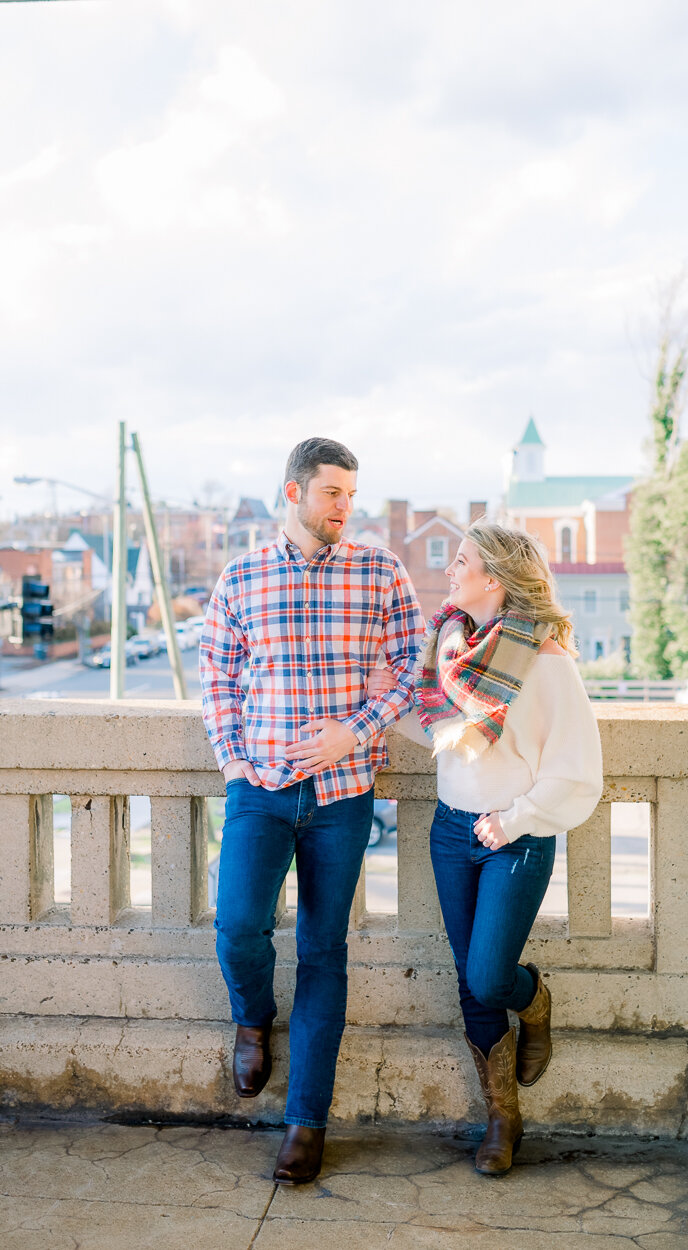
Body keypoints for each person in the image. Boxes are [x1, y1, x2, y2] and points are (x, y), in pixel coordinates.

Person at [199, 437, 424, 1186]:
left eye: (350, 496)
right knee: (238, 927)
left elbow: (407, 669)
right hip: (258, 788)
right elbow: (218, 681)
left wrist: (351, 733)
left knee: (325, 953)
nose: (344, 509)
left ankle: (305, 1121)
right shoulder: (241, 576)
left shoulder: (379, 571)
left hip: (343, 795)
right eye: (333, 494)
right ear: (293, 493)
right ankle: (252, 1016)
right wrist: (234, 762)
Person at [370, 521, 602, 1176]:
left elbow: (578, 769)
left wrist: (518, 818)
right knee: (469, 988)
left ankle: (536, 1002)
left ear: (492, 579)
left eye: (461, 561)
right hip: (450, 830)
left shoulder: (544, 662)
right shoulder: (450, 649)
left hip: (513, 837)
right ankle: (501, 1115)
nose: (449, 570)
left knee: (489, 978)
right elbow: (440, 728)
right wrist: (370, 709)